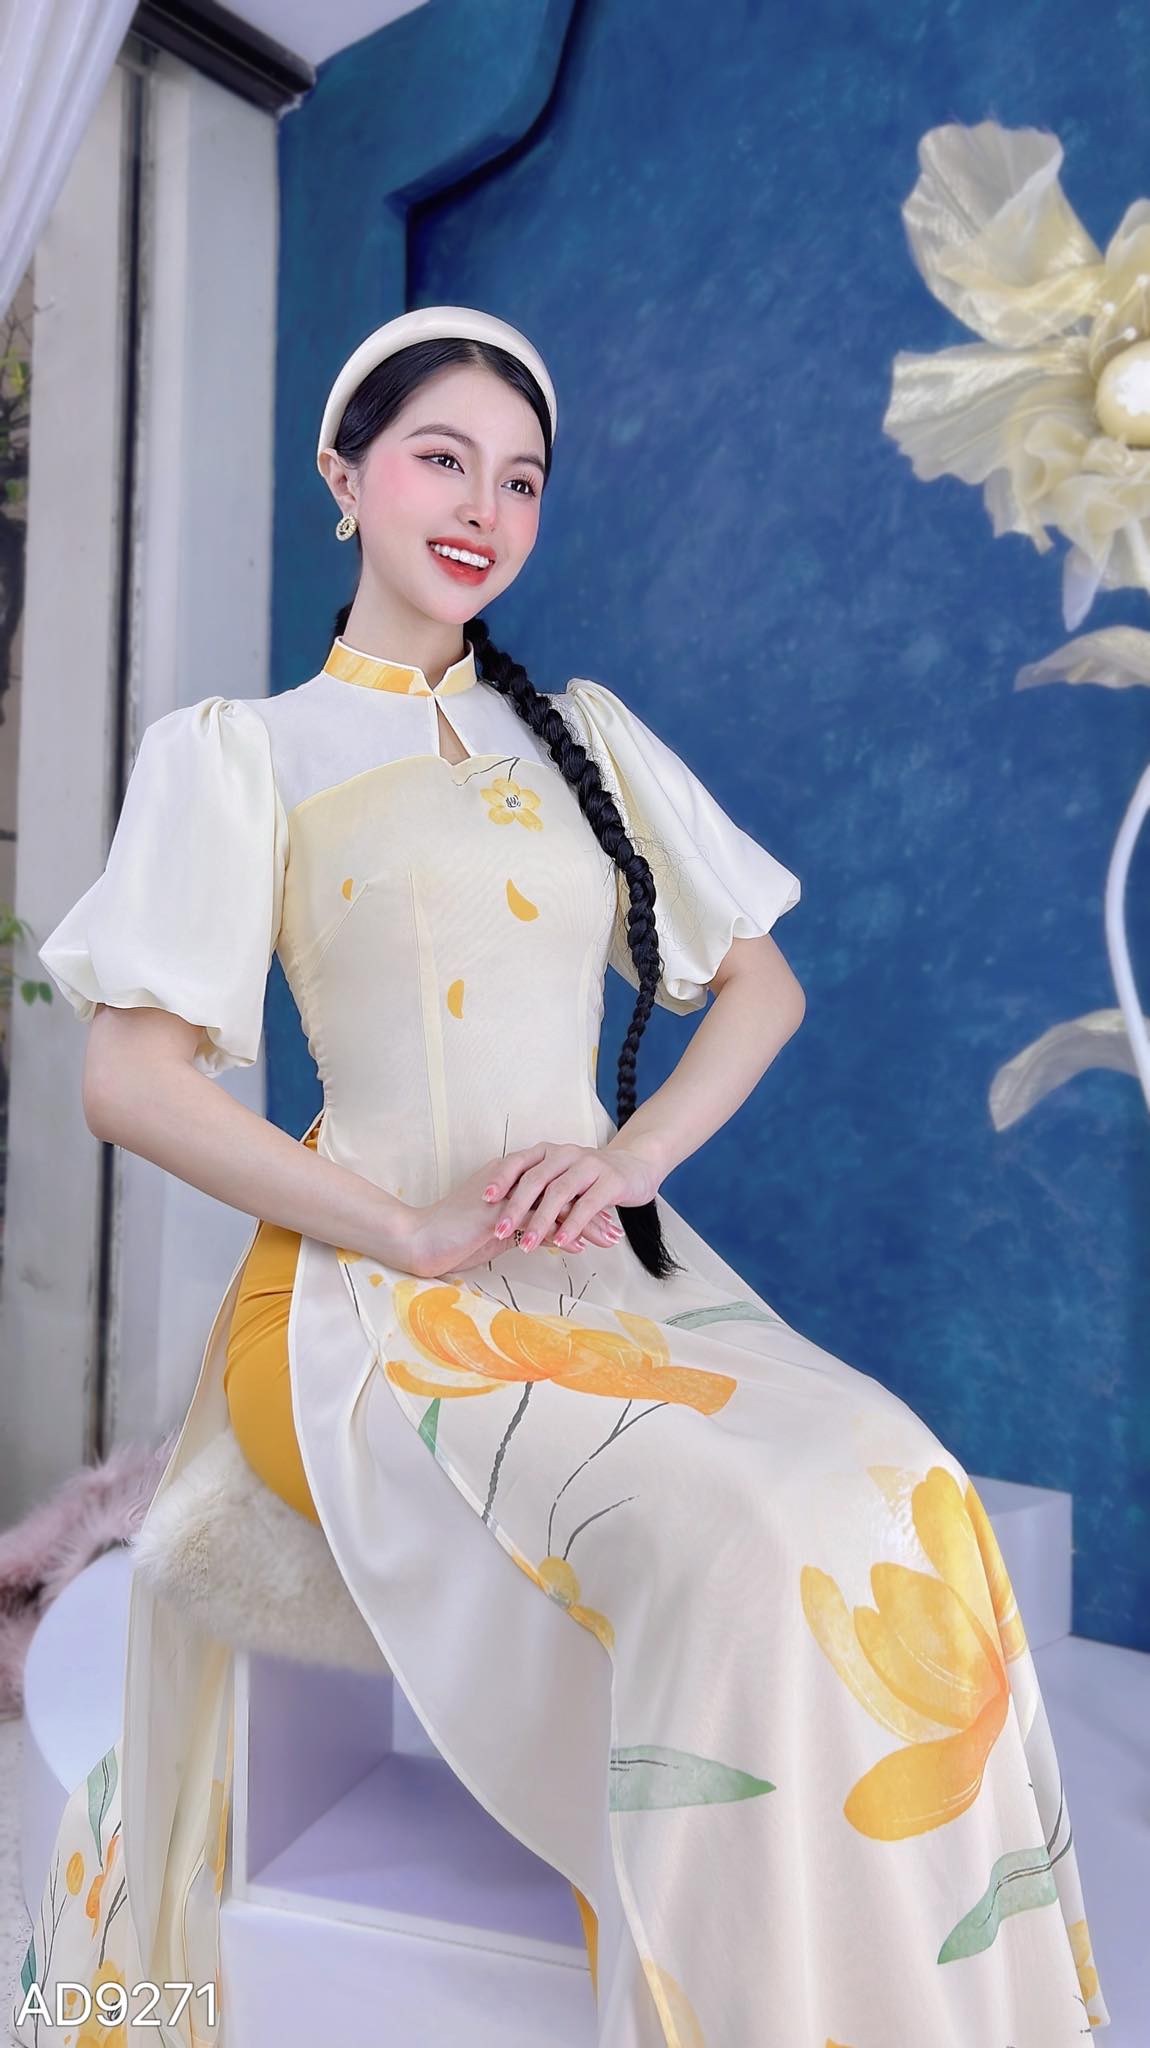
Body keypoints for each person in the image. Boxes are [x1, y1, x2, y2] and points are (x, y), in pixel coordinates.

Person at [15, 306, 1109, 2047]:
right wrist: (406, 1227)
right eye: (441, 459)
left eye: (520, 479)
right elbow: (126, 1081)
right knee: (730, 1538)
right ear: (342, 477)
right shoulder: (242, 751)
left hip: (599, 1272)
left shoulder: (582, 734)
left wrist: (628, 1160)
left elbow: (762, 982)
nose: (484, 507)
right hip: (363, 1302)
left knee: (897, 1480)